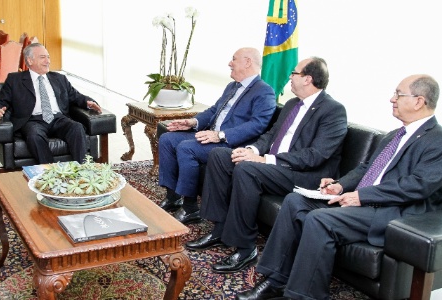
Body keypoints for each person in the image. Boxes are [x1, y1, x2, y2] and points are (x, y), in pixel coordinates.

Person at [237, 74, 442, 300]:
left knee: (319, 219)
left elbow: (418, 186)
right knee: (295, 201)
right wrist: (340, 185)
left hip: (391, 212)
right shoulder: (395, 134)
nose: (391, 99)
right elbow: (366, 168)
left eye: (398, 94)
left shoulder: (436, 140)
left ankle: (305, 296)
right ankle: (275, 280)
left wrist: (361, 196)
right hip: (365, 201)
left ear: (419, 101)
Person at [185, 57, 348, 275]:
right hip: (274, 165)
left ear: (308, 79)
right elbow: (271, 135)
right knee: (220, 155)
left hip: (304, 175)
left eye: (294, 73)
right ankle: (220, 228)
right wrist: (252, 150)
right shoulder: (291, 104)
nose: (290, 76)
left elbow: (315, 156)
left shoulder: (333, 110)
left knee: (246, 169)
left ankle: (245, 248)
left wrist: (267, 160)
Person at [157, 47, 276, 224]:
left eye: (234, 59)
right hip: (209, 135)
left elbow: (257, 125)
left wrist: (220, 135)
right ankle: (173, 196)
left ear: (247, 62)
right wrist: (193, 122)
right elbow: (215, 110)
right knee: (167, 139)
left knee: (186, 148)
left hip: (230, 143)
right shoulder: (232, 86)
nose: (230, 63)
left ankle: (190, 208)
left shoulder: (264, 91)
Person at [0, 43, 102, 164]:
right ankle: (49, 172)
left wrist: (89, 103)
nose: (48, 61)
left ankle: (83, 170)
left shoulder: (59, 78)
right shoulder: (15, 80)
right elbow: (1, 100)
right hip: (32, 121)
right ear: (30, 60)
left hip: (58, 119)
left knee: (77, 127)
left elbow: (76, 96)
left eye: (48, 57)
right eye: (43, 57)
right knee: (34, 135)